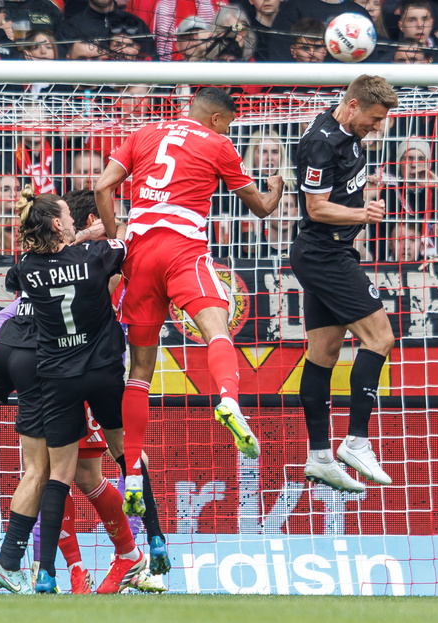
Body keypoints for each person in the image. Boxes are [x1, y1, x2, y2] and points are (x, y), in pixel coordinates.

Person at [94, 87, 283, 515]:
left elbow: (103, 187)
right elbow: (261, 208)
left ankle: (134, 474)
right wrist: (275, 188)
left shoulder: (144, 133)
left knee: (139, 369)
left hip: (139, 249)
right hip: (183, 248)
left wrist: (117, 236)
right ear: (217, 119)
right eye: (230, 123)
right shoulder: (218, 143)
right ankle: (230, 400)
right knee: (217, 329)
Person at [6, 190, 143, 594]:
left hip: (85, 368)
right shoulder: (93, 253)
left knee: (84, 473)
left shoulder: (90, 259)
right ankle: (78, 569)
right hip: (75, 372)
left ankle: (133, 554)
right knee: (63, 471)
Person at [290, 75, 399, 494]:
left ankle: (319, 456)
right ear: (352, 105)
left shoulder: (345, 132)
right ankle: (356, 441)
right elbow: (315, 208)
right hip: (324, 255)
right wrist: (363, 214)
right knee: (380, 338)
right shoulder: (320, 143)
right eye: (373, 118)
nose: (377, 126)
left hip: (331, 252)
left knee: (324, 352)